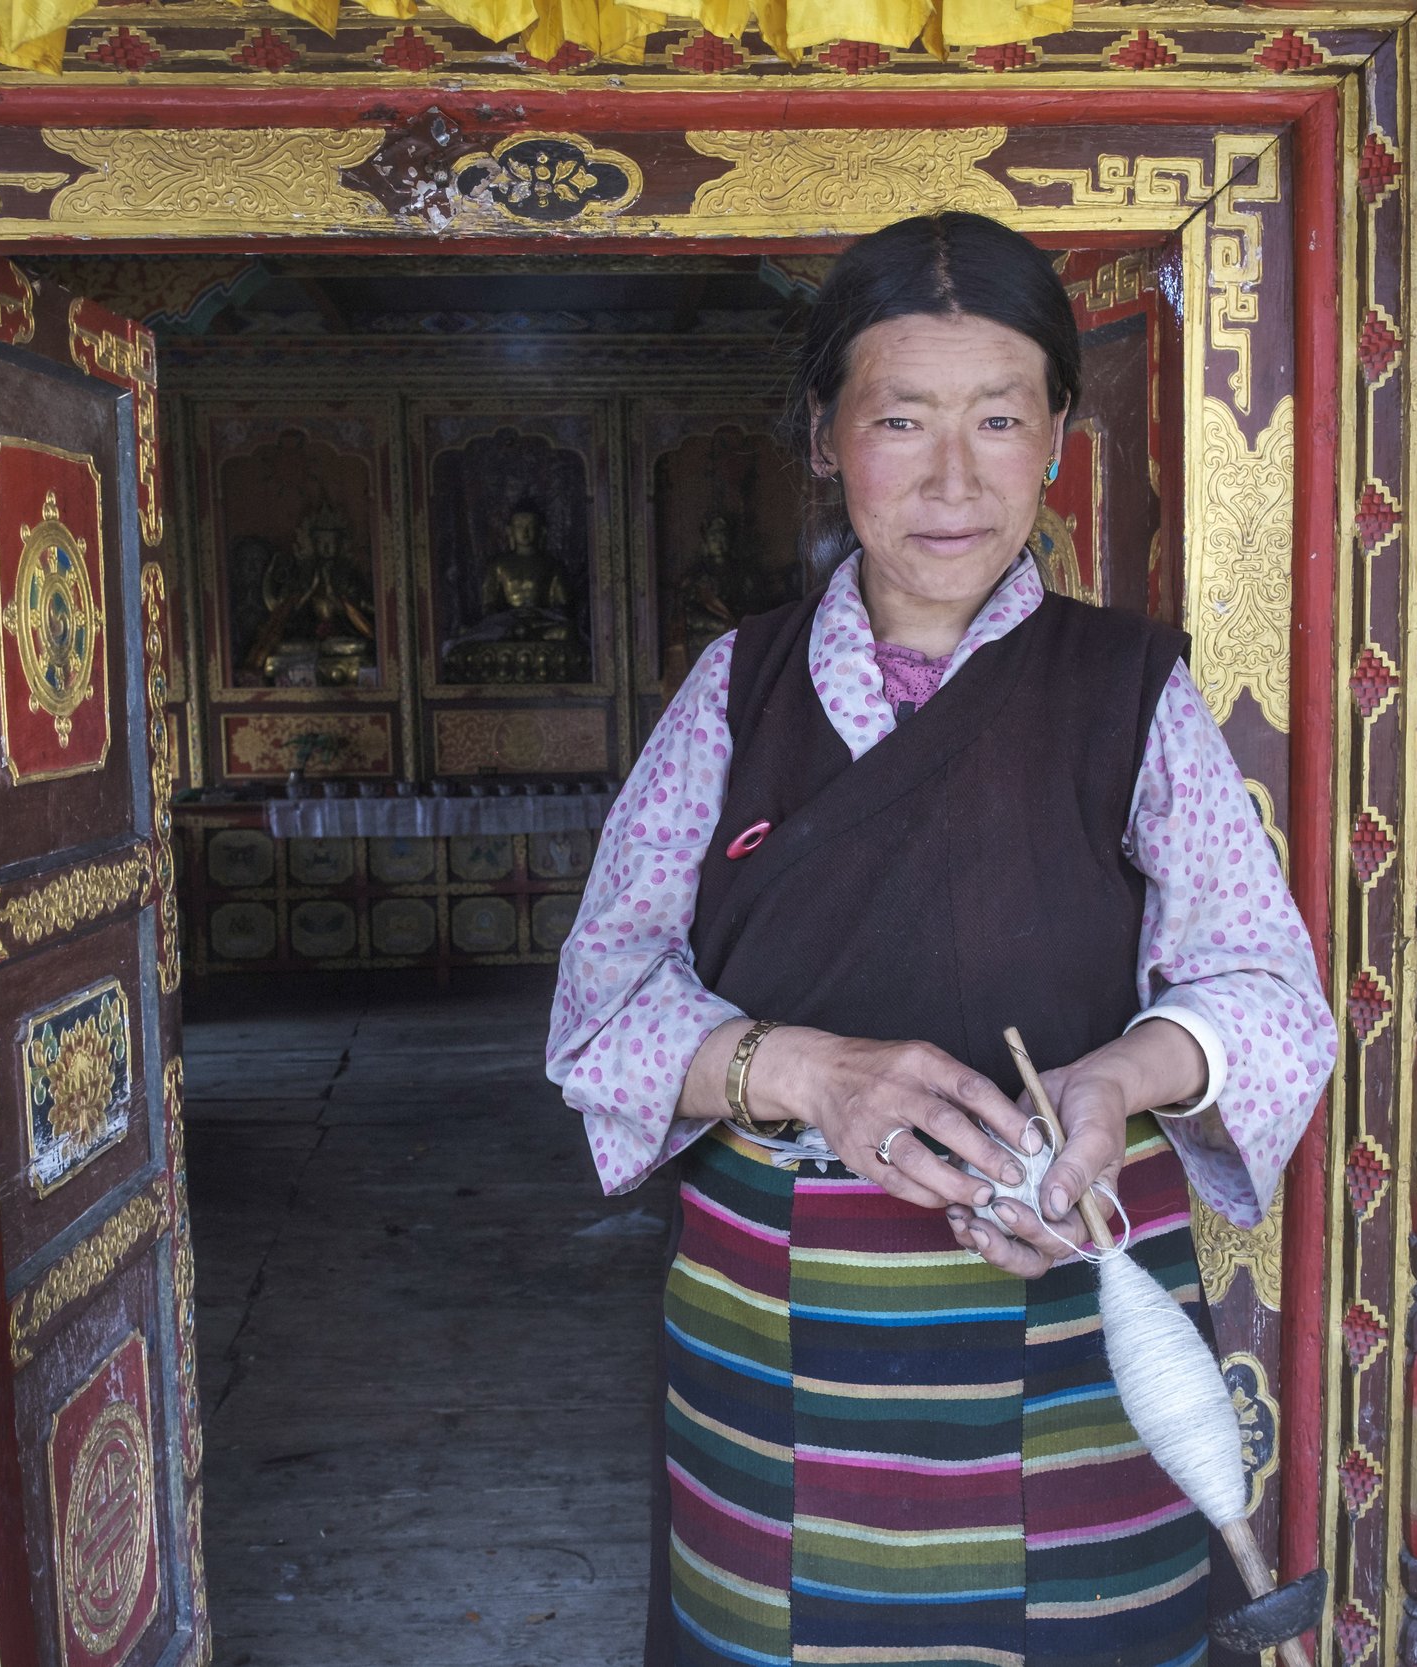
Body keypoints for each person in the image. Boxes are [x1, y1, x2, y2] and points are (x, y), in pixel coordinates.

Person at [547, 211, 1335, 1667]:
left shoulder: (1125, 688)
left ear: (1056, 439)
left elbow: (1269, 996)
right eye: (901, 421)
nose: (954, 479)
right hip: (786, 1313)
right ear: (825, 437)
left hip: (1072, 1288)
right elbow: (599, 1011)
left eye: (999, 420)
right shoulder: (741, 689)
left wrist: (1120, 1081)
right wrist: (806, 1075)